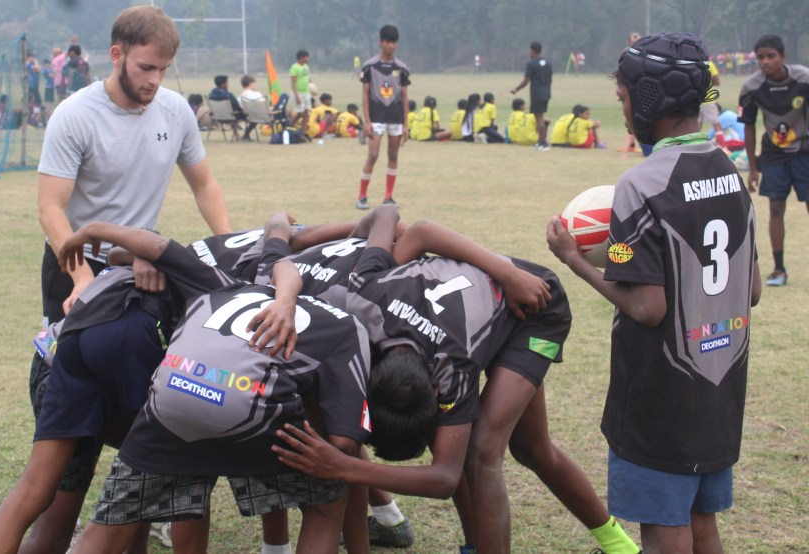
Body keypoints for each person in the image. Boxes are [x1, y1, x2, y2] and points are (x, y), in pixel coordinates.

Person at [273, 206, 638, 554]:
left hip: (534, 306)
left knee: (482, 452)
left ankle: (616, 544)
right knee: (522, 447)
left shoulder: (451, 368)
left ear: (437, 390)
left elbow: (445, 477)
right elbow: (398, 224)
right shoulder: (364, 294)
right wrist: (317, 239)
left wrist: (507, 273)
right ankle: (479, 545)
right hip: (478, 319)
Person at [548, 32, 761, 554]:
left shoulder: (640, 186)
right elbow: (752, 288)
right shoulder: (730, 174)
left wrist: (575, 260)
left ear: (648, 101)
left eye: (623, 99)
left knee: (665, 534)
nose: (623, 112)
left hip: (661, 394)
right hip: (720, 386)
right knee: (702, 523)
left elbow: (647, 306)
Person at [29, 5, 231, 554]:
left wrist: (229, 253)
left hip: (141, 269)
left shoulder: (174, 111)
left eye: (163, 70)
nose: (154, 80)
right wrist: (79, 277)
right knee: (71, 399)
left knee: (142, 396)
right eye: (145, 67)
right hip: (75, 264)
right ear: (116, 54)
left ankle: (138, 503)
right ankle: (64, 502)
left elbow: (205, 184)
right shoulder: (75, 115)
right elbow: (51, 209)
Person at [56, 218, 370, 554]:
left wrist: (95, 229)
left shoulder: (224, 283)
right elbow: (344, 442)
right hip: (252, 412)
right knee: (326, 503)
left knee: (111, 524)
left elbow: (157, 246)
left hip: (172, 398)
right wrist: (334, 460)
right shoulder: (350, 326)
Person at [738, 33, 809, 287]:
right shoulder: (751, 87)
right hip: (774, 156)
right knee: (775, 208)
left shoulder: (804, 79)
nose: (765, 62)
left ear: (783, 57)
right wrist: (753, 168)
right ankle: (779, 269)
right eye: (760, 57)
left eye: (771, 56)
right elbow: (748, 127)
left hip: (804, 153)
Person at [357, 25, 411, 209]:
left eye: (394, 42)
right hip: (376, 117)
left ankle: (388, 197)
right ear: (380, 42)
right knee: (372, 155)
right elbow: (365, 95)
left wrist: (405, 124)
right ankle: (362, 196)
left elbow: (405, 96)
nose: (390, 46)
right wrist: (367, 121)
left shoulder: (401, 68)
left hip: (395, 117)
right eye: (387, 42)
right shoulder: (370, 66)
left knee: (393, 155)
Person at [510, 41, 553, 150]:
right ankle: (541, 141)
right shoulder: (548, 63)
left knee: (539, 119)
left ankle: (543, 143)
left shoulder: (531, 63)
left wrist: (516, 89)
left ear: (532, 50)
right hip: (546, 93)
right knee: (540, 117)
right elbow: (550, 79)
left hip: (537, 94)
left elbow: (526, 80)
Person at [290, 50, 312, 135]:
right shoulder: (295, 67)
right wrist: (296, 96)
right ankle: (290, 125)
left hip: (306, 92)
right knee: (300, 113)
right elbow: (293, 82)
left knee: (306, 113)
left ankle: (302, 132)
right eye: (306, 57)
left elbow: (308, 78)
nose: (308, 59)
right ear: (301, 58)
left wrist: (312, 86)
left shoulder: (306, 67)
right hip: (299, 93)